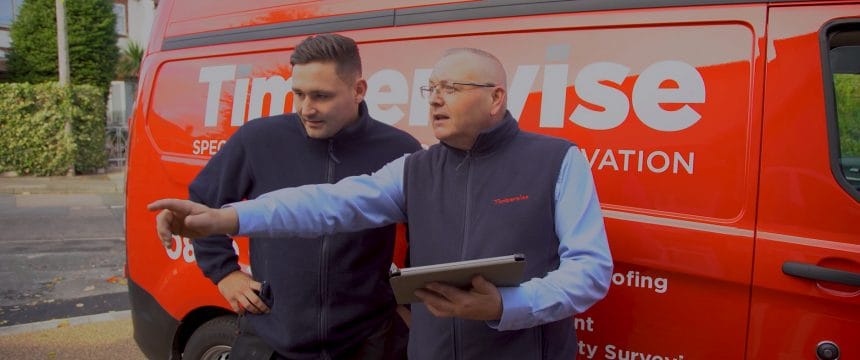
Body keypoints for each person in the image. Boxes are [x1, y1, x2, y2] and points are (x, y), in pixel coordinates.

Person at [151, 48, 613, 359]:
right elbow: (328, 203)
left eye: (451, 88)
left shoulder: (557, 160)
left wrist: (506, 306)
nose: (435, 100)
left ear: (495, 99)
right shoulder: (415, 168)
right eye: (431, 89)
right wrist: (227, 218)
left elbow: (590, 272)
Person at [180, 33, 421, 359]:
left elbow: (423, 234)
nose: (307, 109)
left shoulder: (398, 148)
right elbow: (203, 202)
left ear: (358, 90)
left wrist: (410, 305)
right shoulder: (259, 139)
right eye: (298, 94)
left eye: (321, 96)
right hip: (272, 334)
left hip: (367, 338)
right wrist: (224, 273)